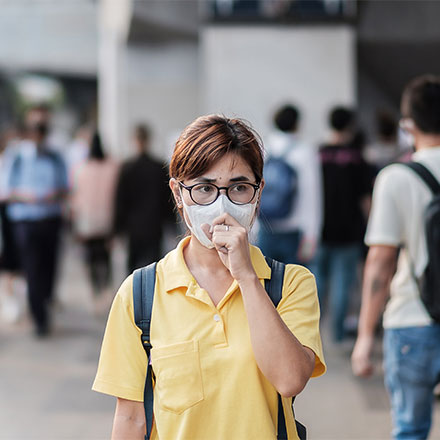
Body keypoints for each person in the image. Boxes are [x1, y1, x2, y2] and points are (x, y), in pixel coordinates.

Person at [93, 115, 326, 439]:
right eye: (204, 188)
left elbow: (290, 380)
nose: (222, 205)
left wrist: (246, 277)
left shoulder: (290, 284)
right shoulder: (140, 293)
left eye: (239, 188)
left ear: (258, 193)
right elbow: (131, 418)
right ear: (178, 193)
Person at [352, 75, 440, 439]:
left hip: (412, 319)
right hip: (415, 322)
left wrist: (364, 338)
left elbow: (381, 262)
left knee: (410, 430)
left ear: (408, 125)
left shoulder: (396, 178)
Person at [3, 109, 68, 337]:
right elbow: (5, 190)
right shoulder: (17, 156)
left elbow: (66, 186)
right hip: (26, 221)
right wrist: (26, 195)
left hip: (50, 219)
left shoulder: (55, 156)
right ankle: (39, 316)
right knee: (32, 268)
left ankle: (44, 301)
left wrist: (53, 194)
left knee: (49, 268)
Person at [313, 107, 372, 343]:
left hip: (320, 229)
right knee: (342, 283)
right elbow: (365, 199)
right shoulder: (358, 158)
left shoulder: (318, 153)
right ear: (350, 126)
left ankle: (309, 332)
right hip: (349, 231)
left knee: (317, 281)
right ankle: (336, 336)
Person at [258, 104, 322, 265]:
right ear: (297, 124)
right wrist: (311, 235)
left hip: (265, 227)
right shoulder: (305, 152)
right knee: (294, 285)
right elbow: (311, 195)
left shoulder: (263, 148)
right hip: (293, 231)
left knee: (264, 283)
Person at [113, 124, 174, 274]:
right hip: (154, 223)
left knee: (132, 267)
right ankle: (153, 296)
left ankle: (132, 296)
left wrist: (118, 227)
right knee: (155, 267)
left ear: (134, 140)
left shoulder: (127, 167)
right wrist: (171, 222)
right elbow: (167, 199)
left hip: (133, 225)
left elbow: (120, 200)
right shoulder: (158, 167)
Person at [70, 132, 119, 309]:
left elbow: (76, 199)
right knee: (105, 257)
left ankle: (95, 292)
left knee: (90, 258)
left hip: (87, 223)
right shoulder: (112, 167)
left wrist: (75, 222)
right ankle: (106, 289)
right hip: (107, 221)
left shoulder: (81, 169)